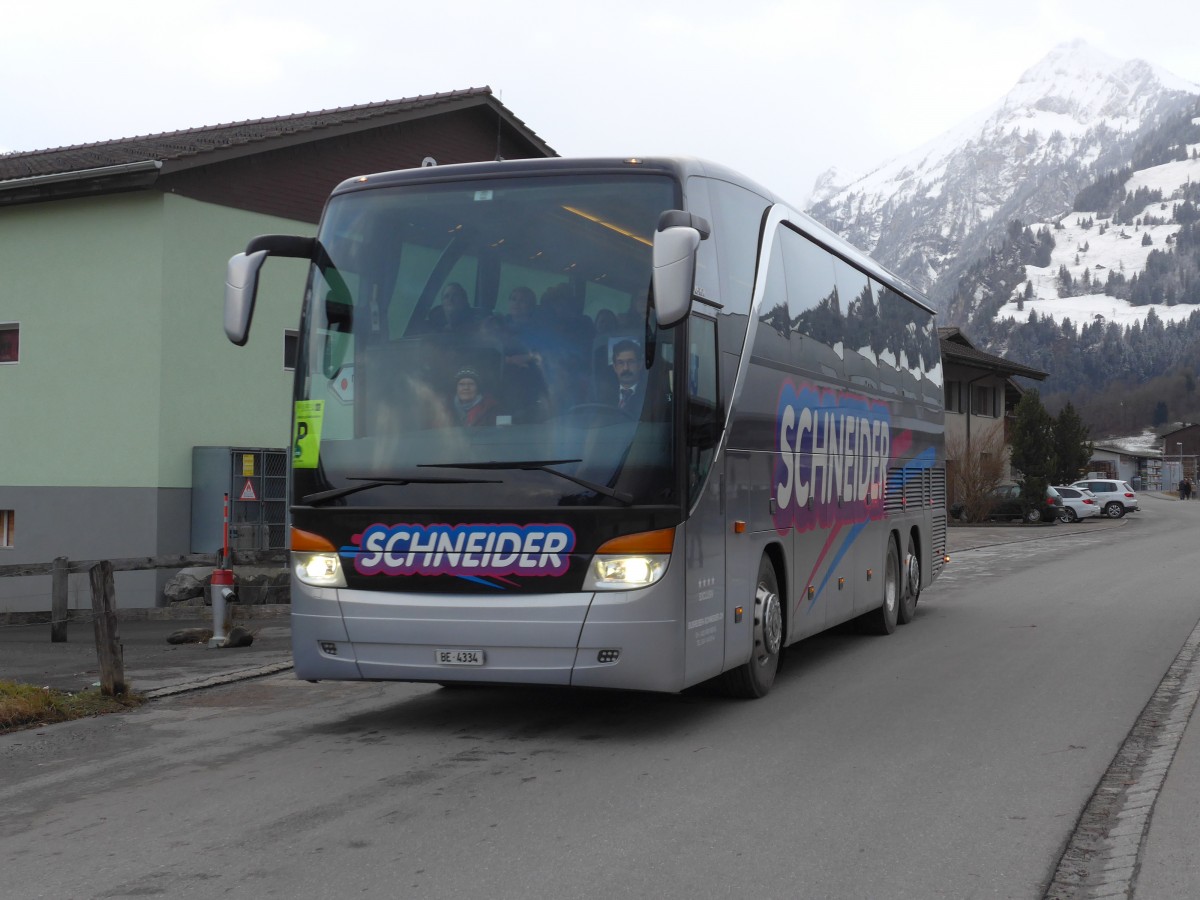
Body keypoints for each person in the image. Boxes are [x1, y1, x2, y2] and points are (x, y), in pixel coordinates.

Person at [609, 338, 646, 415]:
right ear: (615, 367)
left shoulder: (649, 393)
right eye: (620, 363)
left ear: (640, 365)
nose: (626, 368)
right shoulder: (604, 394)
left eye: (631, 362)